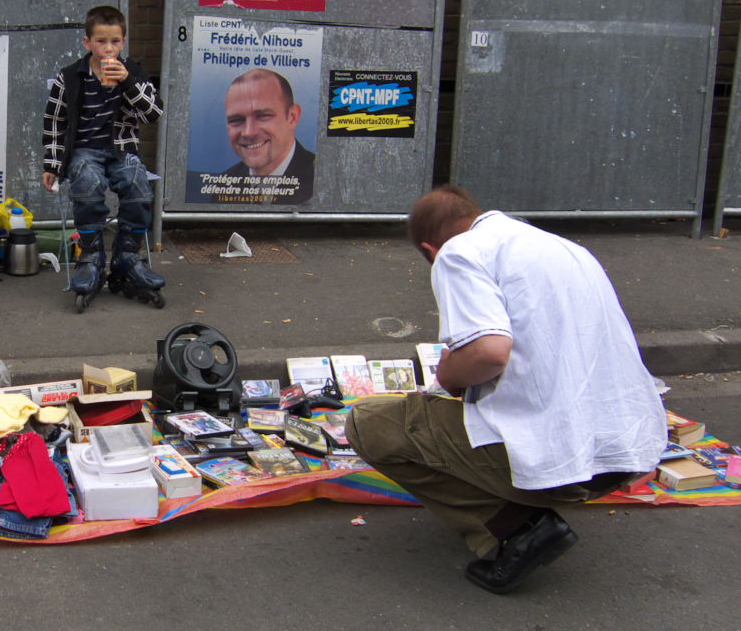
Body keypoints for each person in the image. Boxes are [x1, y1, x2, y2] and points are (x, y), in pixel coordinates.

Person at [346, 185, 664, 594]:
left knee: (370, 422)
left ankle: (520, 530)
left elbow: (489, 352)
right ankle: (521, 506)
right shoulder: (563, 248)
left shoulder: (458, 253)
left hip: (562, 465)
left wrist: (448, 377)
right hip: (625, 452)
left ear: (430, 249)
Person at [41, 5, 164, 300]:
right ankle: (92, 259)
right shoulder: (70, 77)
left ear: (123, 42)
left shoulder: (133, 72)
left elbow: (153, 114)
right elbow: (55, 122)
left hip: (121, 149)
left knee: (138, 185)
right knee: (87, 182)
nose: (108, 48)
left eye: (115, 42)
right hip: (85, 149)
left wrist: (128, 83)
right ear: (87, 42)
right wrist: (52, 164)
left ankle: (128, 258)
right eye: (101, 41)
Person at [222, 68, 314, 202]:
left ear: (292, 117)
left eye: (263, 116)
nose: (249, 132)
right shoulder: (223, 184)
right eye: (236, 120)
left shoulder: (324, 181)